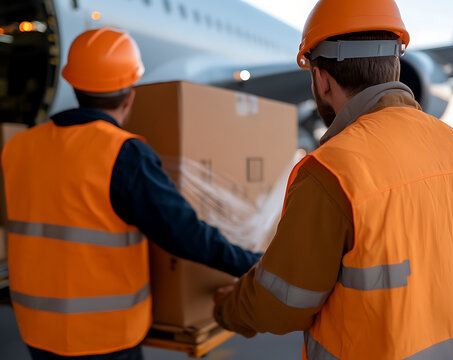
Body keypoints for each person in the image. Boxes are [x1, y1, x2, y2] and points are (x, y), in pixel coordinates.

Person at [213, 0, 453, 359]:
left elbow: (282, 301)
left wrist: (228, 309)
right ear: (395, 63)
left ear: (321, 79)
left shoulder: (333, 170)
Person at [2, 27, 260, 360]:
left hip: (37, 329)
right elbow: (185, 233)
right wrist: (256, 265)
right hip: (104, 338)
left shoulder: (18, 147)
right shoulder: (122, 153)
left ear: (74, 84)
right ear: (130, 95)